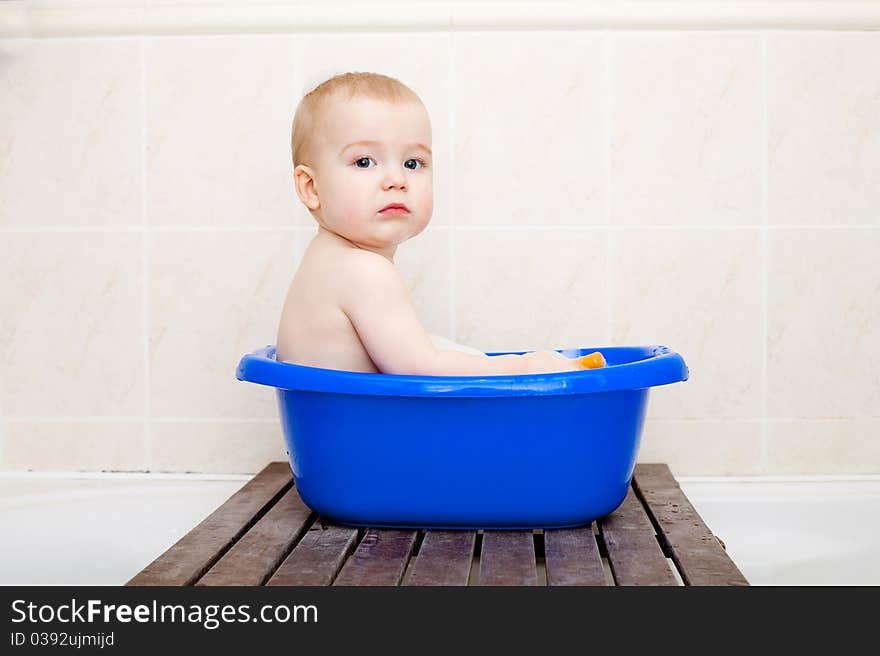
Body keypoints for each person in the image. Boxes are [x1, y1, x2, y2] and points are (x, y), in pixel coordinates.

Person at [276, 71, 580, 375]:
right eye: (364, 162)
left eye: (412, 163)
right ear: (311, 188)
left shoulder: (325, 262)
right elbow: (421, 369)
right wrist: (527, 365)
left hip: (333, 421)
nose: (397, 180)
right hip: (363, 424)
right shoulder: (364, 271)